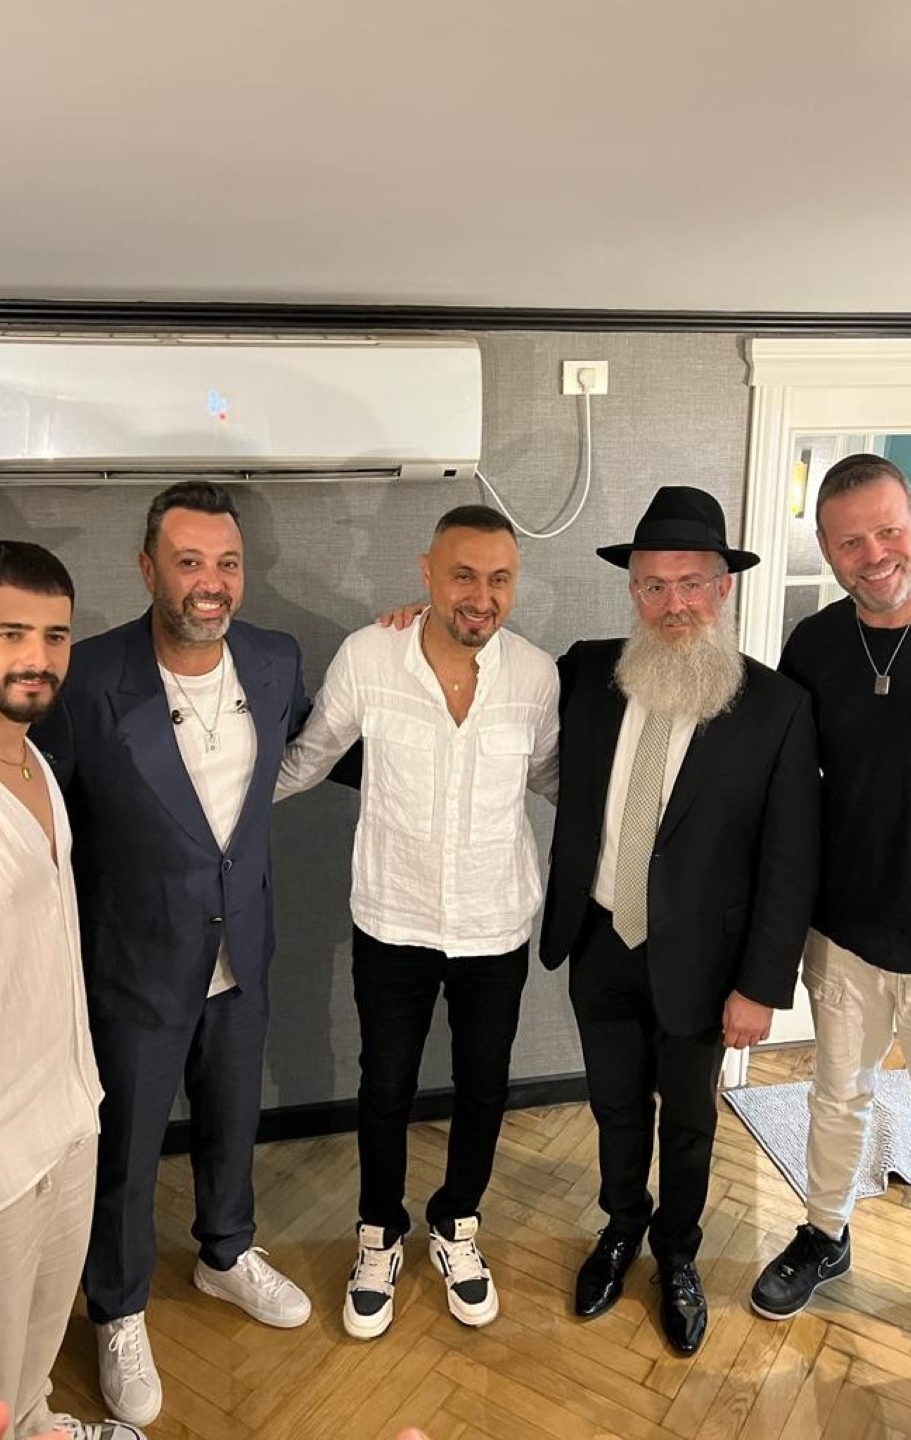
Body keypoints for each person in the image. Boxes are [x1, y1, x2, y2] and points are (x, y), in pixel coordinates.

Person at [32, 481, 312, 1427]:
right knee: (127, 1147)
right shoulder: (88, 679)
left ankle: (226, 1252)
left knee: (234, 1115)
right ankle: (117, 1308)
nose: (211, 582)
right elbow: (48, 825)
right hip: (134, 962)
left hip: (244, 945)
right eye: (189, 562)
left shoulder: (275, 660)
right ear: (148, 568)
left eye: (227, 563)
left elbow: (315, 741)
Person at [539, 486, 819, 1355]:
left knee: (690, 1120)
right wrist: (417, 625)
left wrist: (760, 987)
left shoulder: (776, 707)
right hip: (599, 938)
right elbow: (491, 687)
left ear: (723, 587)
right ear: (632, 590)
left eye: (692, 583)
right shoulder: (586, 673)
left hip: (706, 960)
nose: (674, 604)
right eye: (654, 585)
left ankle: (678, 1253)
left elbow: (789, 863)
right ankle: (621, 1227)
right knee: (615, 1106)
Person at [275, 505, 559, 1339]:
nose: (481, 596)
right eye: (463, 575)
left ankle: (458, 1224)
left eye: (499, 579)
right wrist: (212, 811)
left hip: (495, 921)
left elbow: (554, 779)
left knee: (485, 1085)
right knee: (384, 1085)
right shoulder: (369, 656)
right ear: (427, 573)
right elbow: (308, 758)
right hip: (392, 916)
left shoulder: (537, 676)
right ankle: (379, 1234)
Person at [0, 541, 142, 1440]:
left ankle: (46, 1424)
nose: (36, 658)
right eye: (10, 633)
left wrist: (83, 1106)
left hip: (67, 1119)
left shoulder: (36, 760)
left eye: (55, 635)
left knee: (32, 1364)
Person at [750, 454, 911, 1322]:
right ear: (825, 548)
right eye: (850, 542)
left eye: (889, 530)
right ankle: (824, 1233)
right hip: (843, 934)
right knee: (835, 1097)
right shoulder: (813, 645)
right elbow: (786, 785)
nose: (874, 554)